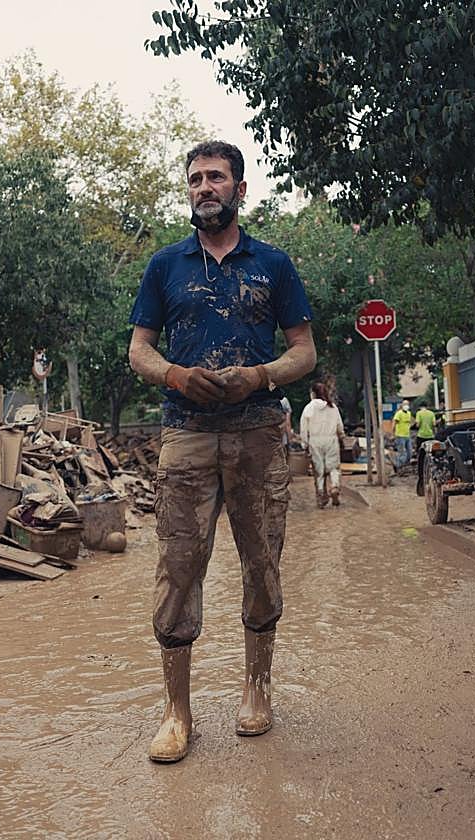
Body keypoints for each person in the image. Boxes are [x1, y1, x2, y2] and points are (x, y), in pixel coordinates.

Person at [128, 140, 316, 763]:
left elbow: (303, 352)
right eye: (195, 178)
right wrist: (176, 376)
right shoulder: (165, 266)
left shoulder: (273, 265)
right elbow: (140, 351)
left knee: (262, 560)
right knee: (178, 567)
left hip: (259, 433)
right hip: (185, 434)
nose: (204, 187)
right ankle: (176, 712)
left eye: (216, 177)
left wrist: (260, 376)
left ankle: (256, 689)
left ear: (239, 189)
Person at [299, 382, 344, 508]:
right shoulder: (333, 407)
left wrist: (305, 444)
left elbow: (304, 429)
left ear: (313, 393)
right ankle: (334, 487)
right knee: (334, 467)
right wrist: (341, 437)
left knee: (319, 471)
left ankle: (321, 495)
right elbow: (339, 426)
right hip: (331, 440)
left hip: (315, 441)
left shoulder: (308, 408)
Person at [393, 399, 413, 469]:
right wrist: (393, 433)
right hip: (400, 436)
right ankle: (398, 466)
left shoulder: (409, 413)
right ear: (402, 405)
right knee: (402, 453)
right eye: (405, 404)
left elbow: (410, 422)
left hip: (407, 435)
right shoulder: (399, 413)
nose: (406, 406)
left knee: (410, 453)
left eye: (407, 404)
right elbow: (394, 423)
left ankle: (405, 465)